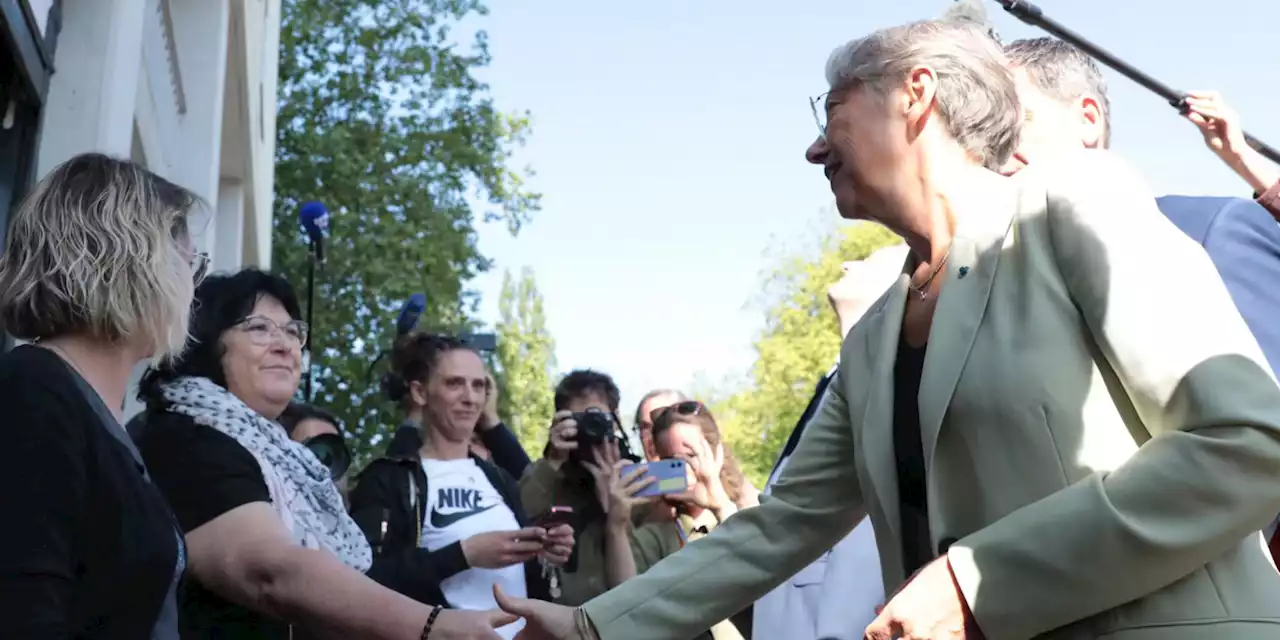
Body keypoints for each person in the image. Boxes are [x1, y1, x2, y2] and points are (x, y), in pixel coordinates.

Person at [498, 18, 1280, 640]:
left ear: (916, 95)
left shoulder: (1075, 203)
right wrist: (591, 626)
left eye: (830, 109)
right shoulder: (872, 337)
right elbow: (780, 525)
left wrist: (974, 579)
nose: (813, 147)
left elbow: (1247, 441)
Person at [1003, 36, 1280, 565]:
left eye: (1013, 119)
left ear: (1087, 120)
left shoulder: (1204, 232)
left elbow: (1259, 451)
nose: (990, 143)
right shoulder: (972, 295)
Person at [135, 269, 511, 639]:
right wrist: (433, 625)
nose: (284, 345)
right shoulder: (186, 435)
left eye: (292, 331)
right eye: (259, 328)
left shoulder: (285, 456)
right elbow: (269, 573)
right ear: (207, 341)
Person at [0, 153, 203, 639]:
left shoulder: (88, 412)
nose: (194, 291)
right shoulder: (34, 396)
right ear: (137, 262)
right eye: (191, 265)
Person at [348, 332, 572, 640]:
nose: (470, 397)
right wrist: (463, 555)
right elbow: (360, 582)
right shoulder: (389, 478)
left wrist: (546, 552)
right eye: (454, 383)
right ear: (420, 392)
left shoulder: (499, 479)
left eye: (478, 385)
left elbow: (528, 579)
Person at [753, 246, 904, 640]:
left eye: (868, 260)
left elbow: (864, 538)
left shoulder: (885, 385)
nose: (847, 264)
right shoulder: (836, 383)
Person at [519, 370, 644, 606]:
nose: (592, 427)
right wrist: (554, 460)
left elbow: (650, 571)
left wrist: (614, 509)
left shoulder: (638, 479)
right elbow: (518, 515)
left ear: (616, 420)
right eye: (581, 420)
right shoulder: (548, 477)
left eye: (598, 418)